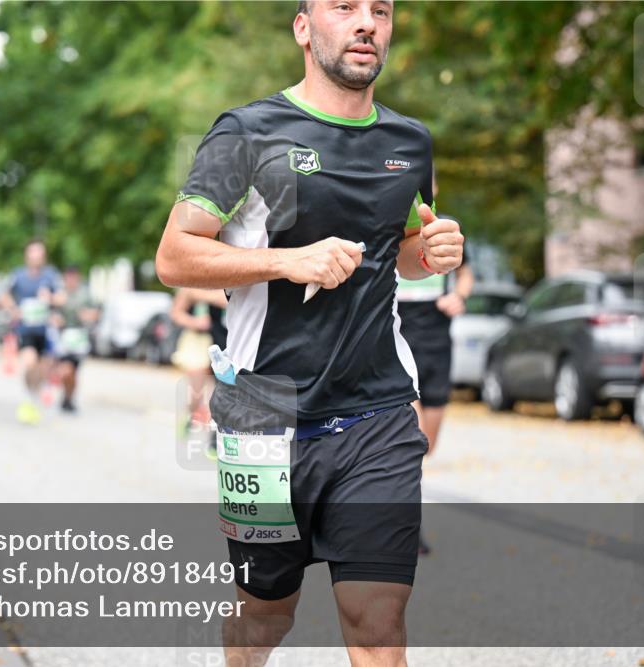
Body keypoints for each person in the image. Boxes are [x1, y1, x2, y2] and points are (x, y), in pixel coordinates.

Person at [154, 1, 465, 665]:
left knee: (377, 619)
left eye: (380, 10)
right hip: (263, 416)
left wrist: (433, 252)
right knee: (266, 614)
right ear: (303, 27)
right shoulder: (247, 131)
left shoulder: (410, 143)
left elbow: (405, 251)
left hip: (376, 415)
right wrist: (285, 260)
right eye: (344, 7)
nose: (366, 23)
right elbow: (174, 255)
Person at [397, 178, 475, 454]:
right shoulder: (387, 221)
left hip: (436, 330)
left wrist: (459, 297)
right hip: (398, 328)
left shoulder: (446, 229)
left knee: (428, 445)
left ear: (436, 188)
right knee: (410, 430)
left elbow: (465, 273)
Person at [2, 240, 64, 425]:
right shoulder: (18, 275)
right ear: (27, 255)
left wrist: (51, 298)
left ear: (43, 255)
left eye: (39, 252)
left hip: (45, 331)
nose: (35, 256)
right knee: (29, 364)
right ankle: (29, 400)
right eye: (32, 252)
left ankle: (33, 397)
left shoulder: (51, 275)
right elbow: (4, 296)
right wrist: (13, 309)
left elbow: (62, 297)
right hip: (26, 329)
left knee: (42, 369)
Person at [170, 288, 228, 457]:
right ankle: (190, 415)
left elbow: (227, 300)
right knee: (196, 393)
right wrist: (194, 322)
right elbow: (176, 313)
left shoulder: (225, 283)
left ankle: (214, 441)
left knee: (220, 393)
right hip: (197, 343)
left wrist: (202, 294)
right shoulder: (189, 286)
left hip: (222, 342)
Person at [50, 266, 99, 413]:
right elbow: (51, 312)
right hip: (63, 337)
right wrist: (55, 317)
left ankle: (69, 397)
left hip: (79, 338)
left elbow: (95, 313)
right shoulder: (59, 294)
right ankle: (67, 396)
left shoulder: (85, 294)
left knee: (73, 372)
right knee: (66, 369)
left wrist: (87, 315)